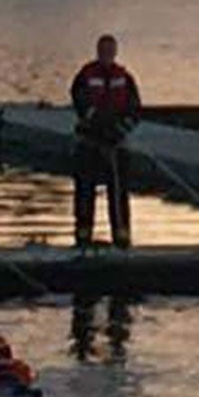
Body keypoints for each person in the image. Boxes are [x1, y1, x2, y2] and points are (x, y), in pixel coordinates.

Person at [70, 33, 142, 249]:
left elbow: (135, 108)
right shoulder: (86, 75)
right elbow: (79, 100)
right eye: (104, 51)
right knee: (85, 189)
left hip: (116, 142)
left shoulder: (125, 77)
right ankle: (83, 233)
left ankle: (121, 233)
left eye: (110, 51)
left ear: (115, 52)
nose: (107, 55)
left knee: (119, 190)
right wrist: (97, 122)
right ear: (98, 52)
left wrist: (121, 129)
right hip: (91, 141)